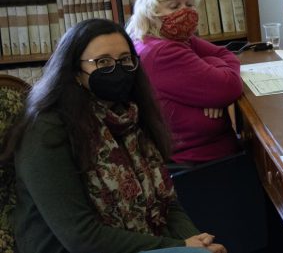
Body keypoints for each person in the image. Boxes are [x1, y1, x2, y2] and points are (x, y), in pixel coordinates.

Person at [0, 19, 226, 253]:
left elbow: (167, 204)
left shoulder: (130, 114)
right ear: (75, 72)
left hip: (142, 242)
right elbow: (80, 236)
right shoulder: (46, 131)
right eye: (103, 62)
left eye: (124, 60)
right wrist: (181, 247)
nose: (116, 70)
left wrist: (197, 241)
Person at [127, 0, 242, 165]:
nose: (185, 11)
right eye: (174, 6)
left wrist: (211, 83)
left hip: (203, 153)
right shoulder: (164, 52)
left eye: (189, 4)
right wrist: (214, 85)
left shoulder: (163, 40)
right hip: (200, 163)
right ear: (150, 11)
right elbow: (229, 86)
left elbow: (225, 53)